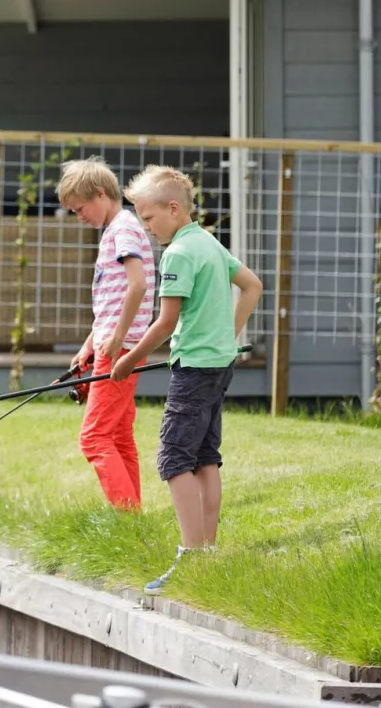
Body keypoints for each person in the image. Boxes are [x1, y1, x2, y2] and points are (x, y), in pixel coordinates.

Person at [108, 164, 263, 596]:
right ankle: (207, 555)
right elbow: (252, 286)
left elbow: (165, 322)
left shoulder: (177, 253)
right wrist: (227, 337)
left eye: (148, 217)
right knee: (205, 456)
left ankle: (191, 555)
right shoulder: (210, 244)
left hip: (193, 369)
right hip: (220, 364)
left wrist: (129, 361)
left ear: (173, 209)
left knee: (175, 458)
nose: (146, 226)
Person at [58, 157, 154, 511]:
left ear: (101, 194)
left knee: (94, 437)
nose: (79, 216)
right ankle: (133, 517)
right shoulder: (115, 230)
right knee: (118, 435)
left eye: (80, 208)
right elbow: (109, 304)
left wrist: (116, 341)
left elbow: (138, 286)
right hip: (114, 344)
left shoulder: (124, 230)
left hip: (121, 348)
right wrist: (89, 346)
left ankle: (126, 515)